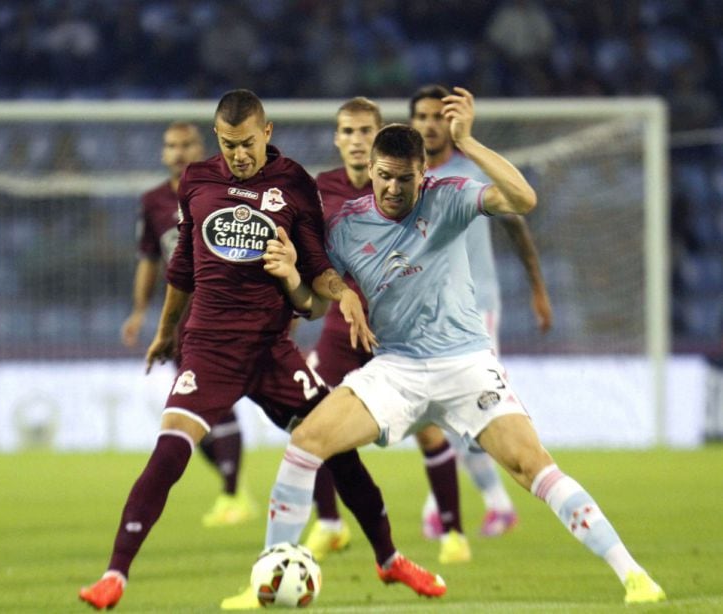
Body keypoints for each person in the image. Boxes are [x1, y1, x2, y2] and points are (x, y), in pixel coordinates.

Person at [261, 87, 666, 606]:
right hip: (396, 369)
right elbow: (312, 305)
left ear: (422, 173)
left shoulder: (448, 196)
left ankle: (633, 575)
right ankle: (269, 577)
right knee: (307, 441)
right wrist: (303, 282)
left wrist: (469, 142)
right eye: (383, 176)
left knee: (532, 465)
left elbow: (523, 200)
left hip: (465, 365)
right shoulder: (345, 225)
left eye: (403, 179)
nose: (390, 189)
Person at [79, 89, 445, 612]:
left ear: (266, 132)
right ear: (218, 140)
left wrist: (343, 298)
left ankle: (389, 560)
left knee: (337, 448)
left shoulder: (294, 183)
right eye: (228, 145)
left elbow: (317, 264)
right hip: (208, 347)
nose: (239, 155)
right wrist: (165, 331)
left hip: (273, 350)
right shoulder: (198, 182)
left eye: (247, 143)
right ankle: (114, 575)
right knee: (170, 450)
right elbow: (182, 268)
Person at [305, 97, 470, 566]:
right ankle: (330, 524)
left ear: (380, 140)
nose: (356, 141)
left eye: (365, 132)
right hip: (341, 327)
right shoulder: (320, 190)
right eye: (348, 132)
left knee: (428, 429)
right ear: (337, 139)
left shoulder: (410, 189)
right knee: (314, 419)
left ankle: (453, 532)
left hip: (399, 326)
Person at [409, 84, 553, 541]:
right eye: (422, 117)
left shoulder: (473, 170)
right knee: (434, 413)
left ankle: (473, 504)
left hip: (477, 309)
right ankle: (480, 503)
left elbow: (517, 227)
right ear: (411, 124)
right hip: (425, 312)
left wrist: (537, 289)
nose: (430, 124)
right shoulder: (403, 178)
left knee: (468, 408)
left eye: (437, 116)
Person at [119, 121, 255, 529]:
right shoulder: (154, 202)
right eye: (171, 145)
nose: (178, 152)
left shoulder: (228, 190)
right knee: (190, 414)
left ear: (203, 148)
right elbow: (149, 261)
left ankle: (233, 495)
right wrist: (140, 311)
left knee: (213, 402)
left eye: (187, 144)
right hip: (183, 319)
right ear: (163, 153)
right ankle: (235, 488)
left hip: (228, 310)